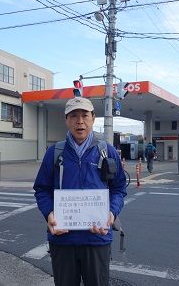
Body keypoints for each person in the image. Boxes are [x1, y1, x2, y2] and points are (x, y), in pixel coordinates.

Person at [33, 97, 127, 286]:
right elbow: (41, 189)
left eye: (85, 115)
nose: (80, 121)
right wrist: (49, 214)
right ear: (66, 120)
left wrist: (111, 213)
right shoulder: (54, 153)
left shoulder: (107, 151)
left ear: (93, 118)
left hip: (97, 238)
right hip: (63, 239)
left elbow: (118, 188)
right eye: (74, 116)